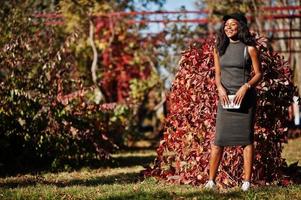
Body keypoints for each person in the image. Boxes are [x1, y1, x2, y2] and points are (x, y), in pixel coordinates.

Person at [204, 13, 262, 191]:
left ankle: (246, 182)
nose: (228, 27)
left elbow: (259, 74)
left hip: (245, 100)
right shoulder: (219, 48)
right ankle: (211, 182)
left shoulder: (249, 48)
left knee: (246, 140)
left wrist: (246, 87)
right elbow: (217, 74)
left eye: (233, 24)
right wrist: (219, 88)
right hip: (225, 99)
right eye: (226, 25)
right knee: (219, 140)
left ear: (241, 27)